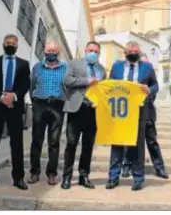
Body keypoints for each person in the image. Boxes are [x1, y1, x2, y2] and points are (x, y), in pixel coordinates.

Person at [105, 41, 158, 191]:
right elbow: (110, 85)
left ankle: (138, 178)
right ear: (125, 53)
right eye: (131, 51)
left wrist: (150, 90)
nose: (133, 53)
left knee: (137, 144)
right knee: (117, 144)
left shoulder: (147, 67)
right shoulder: (116, 67)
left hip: (139, 110)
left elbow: (155, 85)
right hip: (120, 110)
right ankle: (113, 177)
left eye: (136, 51)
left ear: (139, 53)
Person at [0, 34, 30, 190]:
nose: (10, 45)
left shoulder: (24, 64)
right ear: (3, 44)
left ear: (17, 46)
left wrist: (13, 97)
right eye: (7, 43)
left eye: (13, 43)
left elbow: (25, 85)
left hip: (15, 108)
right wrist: (2, 97)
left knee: (16, 144)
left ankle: (18, 177)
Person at [61, 41, 106, 190]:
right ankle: (66, 177)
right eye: (90, 50)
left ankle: (83, 176)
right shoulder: (74, 63)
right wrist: (86, 81)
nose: (93, 53)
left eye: (96, 51)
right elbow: (67, 80)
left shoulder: (102, 70)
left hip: (93, 111)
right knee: (71, 144)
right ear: (86, 51)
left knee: (88, 146)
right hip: (76, 109)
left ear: (99, 54)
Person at [122, 53, 169, 180]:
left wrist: (149, 92)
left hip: (147, 111)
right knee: (129, 140)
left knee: (151, 140)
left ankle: (159, 167)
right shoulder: (129, 75)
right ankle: (126, 165)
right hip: (130, 111)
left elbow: (155, 88)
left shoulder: (149, 75)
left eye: (147, 63)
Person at [27, 40, 67, 186]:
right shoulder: (37, 67)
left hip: (57, 106)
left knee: (54, 142)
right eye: (48, 50)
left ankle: (51, 173)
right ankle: (34, 172)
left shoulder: (65, 68)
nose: (51, 53)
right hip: (40, 105)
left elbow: (68, 87)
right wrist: (35, 102)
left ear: (58, 52)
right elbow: (31, 86)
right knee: (37, 140)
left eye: (54, 51)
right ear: (44, 51)